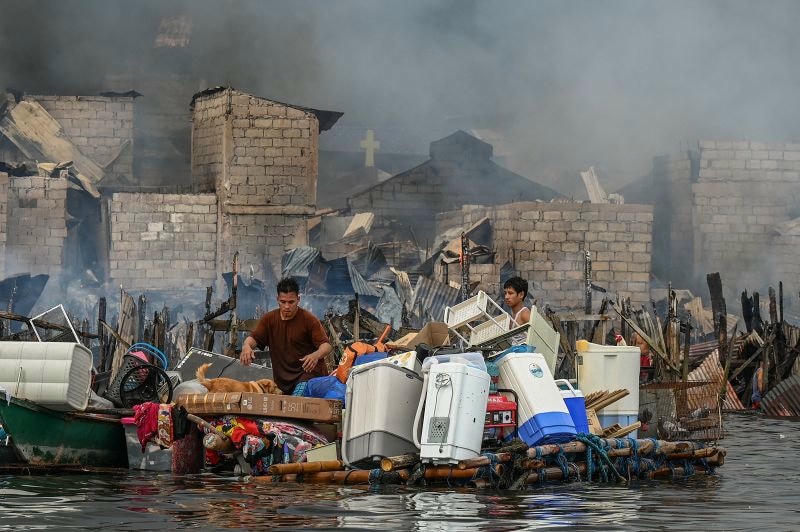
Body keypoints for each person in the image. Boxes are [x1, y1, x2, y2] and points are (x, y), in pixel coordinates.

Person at [239, 277, 333, 395]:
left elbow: (326, 346)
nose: (287, 306)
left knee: (295, 403)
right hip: (282, 382)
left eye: (291, 302)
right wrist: (246, 346)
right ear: (277, 299)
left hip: (309, 376)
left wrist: (315, 355)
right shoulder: (269, 319)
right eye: (283, 302)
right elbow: (254, 338)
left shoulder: (309, 319)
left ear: (298, 299)